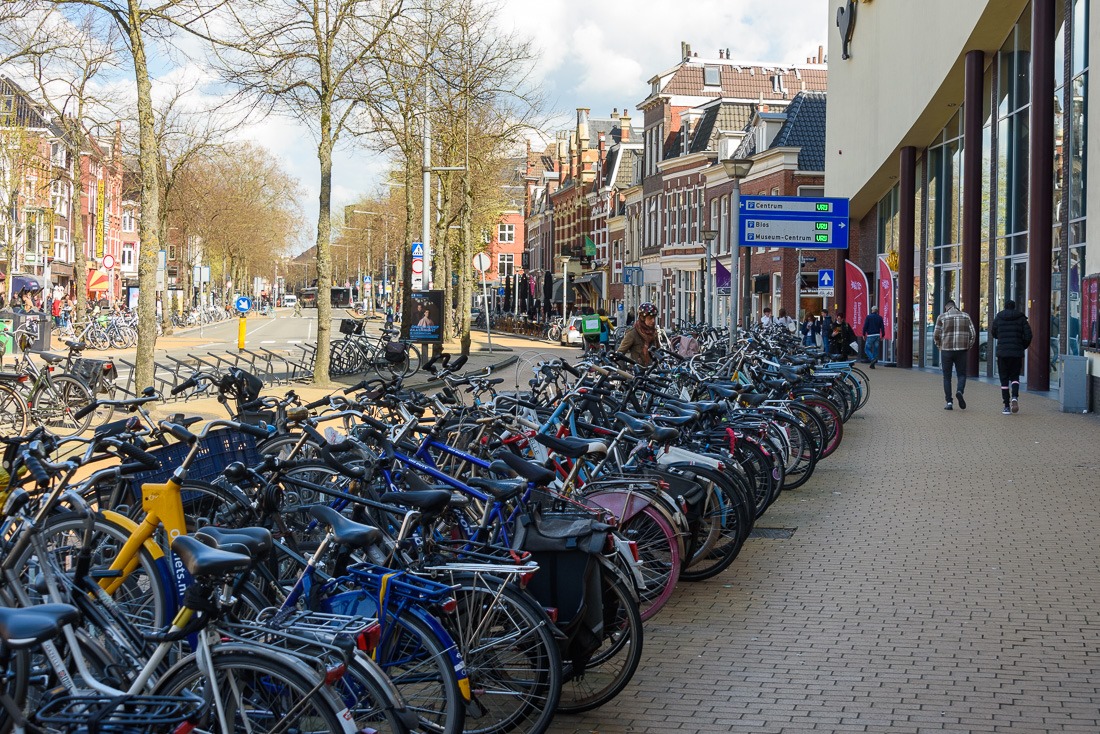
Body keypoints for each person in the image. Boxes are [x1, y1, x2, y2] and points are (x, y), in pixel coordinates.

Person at [933, 298, 977, 410]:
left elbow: (936, 335)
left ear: (946, 307)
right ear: (955, 306)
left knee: (947, 377)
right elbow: (973, 334)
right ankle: (959, 391)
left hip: (946, 350)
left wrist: (939, 346)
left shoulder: (942, 317)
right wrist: (968, 346)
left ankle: (949, 402)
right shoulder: (966, 316)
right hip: (961, 351)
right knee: (961, 374)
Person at [991, 299, 1032, 415]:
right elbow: (1029, 335)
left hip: (1002, 353)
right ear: (1014, 307)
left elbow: (993, 332)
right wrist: (1022, 346)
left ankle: (1006, 406)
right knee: (1015, 377)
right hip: (1016, 353)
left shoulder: (999, 318)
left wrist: (1000, 337)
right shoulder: (1021, 318)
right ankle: (1014, 397)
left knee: (1004, 379)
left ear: (1005, 307)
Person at [617, 301, 658, 367]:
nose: (653, 321)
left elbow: (658, 350)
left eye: (654, 318)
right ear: (642, 318)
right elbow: (620, 354)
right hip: (637, 369)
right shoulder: (633, 333)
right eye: (650, 318)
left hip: (652, 369)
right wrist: (623, 370)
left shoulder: (654, 332)